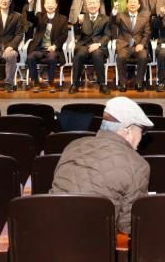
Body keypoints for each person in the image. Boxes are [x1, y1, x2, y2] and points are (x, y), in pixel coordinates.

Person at [51, 96, 153, 235]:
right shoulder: (138, 165)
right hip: (97, 243)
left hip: (53, 234)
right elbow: (127, 226)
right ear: (128, 130)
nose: (141, 137)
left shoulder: (72, 146)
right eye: (142, 131)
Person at [69, 0, 111, 95]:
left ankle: (102, 84)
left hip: (98, 46)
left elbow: (107, 35)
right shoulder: (82, 17)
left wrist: (98, 44)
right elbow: (77, 34)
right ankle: (75, 84)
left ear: (99, 5)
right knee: (79, 55)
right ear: (86, 6)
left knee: (97, 54)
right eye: (89, 3)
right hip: (84, 45)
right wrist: (79, 24)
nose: (92, 6)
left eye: (94, 3)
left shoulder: (106, 19)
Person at [25, 0, 68, 93]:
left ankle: (51, 82)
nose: (50, 5)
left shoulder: (62, 18)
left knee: (52, 57)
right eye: (48, 3)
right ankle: (36, 82)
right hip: (39, 48)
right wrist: (30, 6)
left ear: (56, 5)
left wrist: (55, 46)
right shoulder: (40, 16)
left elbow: (64, 35)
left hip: (53, 49)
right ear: (44, 5)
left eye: (52, 3)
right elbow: (31, 19)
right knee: (30, 57)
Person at [112, 0, 151, 92]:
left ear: (139, 5)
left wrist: (142, 44)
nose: (133, 4)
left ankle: (139, 83)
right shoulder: (121, 15)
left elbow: (147, 34)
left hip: (139, 45)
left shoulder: (145, 18)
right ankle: (123, 83)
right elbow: (113, 21)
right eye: (130, 2)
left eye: (135, 2)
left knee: (143, 56)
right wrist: (115, 10)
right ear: (127, 4)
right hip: (125, 45)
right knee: (120, 57)